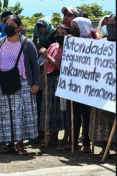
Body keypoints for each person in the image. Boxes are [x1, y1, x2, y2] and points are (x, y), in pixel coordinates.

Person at [0, 15, 39, 155]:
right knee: (5, 115)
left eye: (12, 24)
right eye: (6, 24)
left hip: (22, 84)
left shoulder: (27, 44)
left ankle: (20, 145)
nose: (8, 26)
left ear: (19, 27)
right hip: (1, 84)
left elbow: (34, 65)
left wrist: (35, 84)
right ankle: (9, 144)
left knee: (19, 114)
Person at [57, 17, 93, 152]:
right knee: (75, 114)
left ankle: (87, 143)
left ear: (83, 27)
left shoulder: (91, 43)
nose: (72, 29)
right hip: (74, 85)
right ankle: (73, 141)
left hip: (87, 86)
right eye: (71, 26)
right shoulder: (71, 42)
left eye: (75, 27)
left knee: (86, 115)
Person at [38, 25, 71, 148]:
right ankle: (53, 137)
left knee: (64, 110)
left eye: (63, 33)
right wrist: (42, 59)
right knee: (51, 110)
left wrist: (47, 56)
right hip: (49, 81)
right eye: (58, 33)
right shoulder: (52, 46)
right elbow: (43, 62)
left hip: (62, 81)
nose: (60, 35)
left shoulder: (70, 48)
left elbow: (60, 67)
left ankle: (65, 139)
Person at [89, 14, 116, 158]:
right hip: (103, 89)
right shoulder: (101, 42)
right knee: (105, 120)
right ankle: (105, 149)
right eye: (108, 26)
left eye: (113, 26)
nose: (110, 28)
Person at [32, 17, 54, 141]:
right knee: (38, 103)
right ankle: (39, 130)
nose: (42, 29)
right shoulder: (34, 41)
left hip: (50, 76)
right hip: (38, 77)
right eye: (39, 27)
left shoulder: (54, 40)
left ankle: (50, 131)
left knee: (49, 104)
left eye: (44, 26)